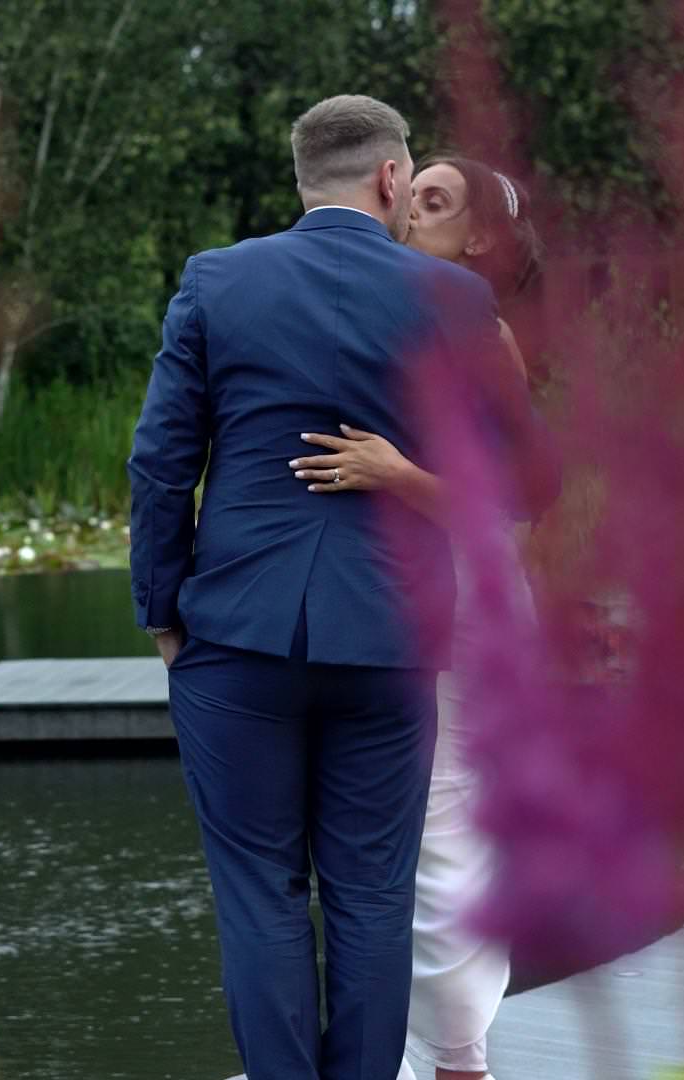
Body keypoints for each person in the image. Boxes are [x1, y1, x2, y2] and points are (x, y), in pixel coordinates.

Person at [129, 94, 532, 1079]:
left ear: (301, 178)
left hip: (235, 636)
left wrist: (162, 609)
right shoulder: (455, 302)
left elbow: (158, 463)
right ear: (391, 177)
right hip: (392, 640)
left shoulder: (218, 281)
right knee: (370, 893)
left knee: (261, 892)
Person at [288, 154, 553, 1080]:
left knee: (441, 829)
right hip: (388, 598)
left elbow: (528, 492)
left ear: (481, 237)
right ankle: (414, 1051)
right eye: (411, 190)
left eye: (434, 200)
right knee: (394, 831)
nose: (407, 206)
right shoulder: (400, 308)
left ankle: (456, 1057)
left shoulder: (479, 328)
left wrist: (397, 475)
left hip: (468, 597)